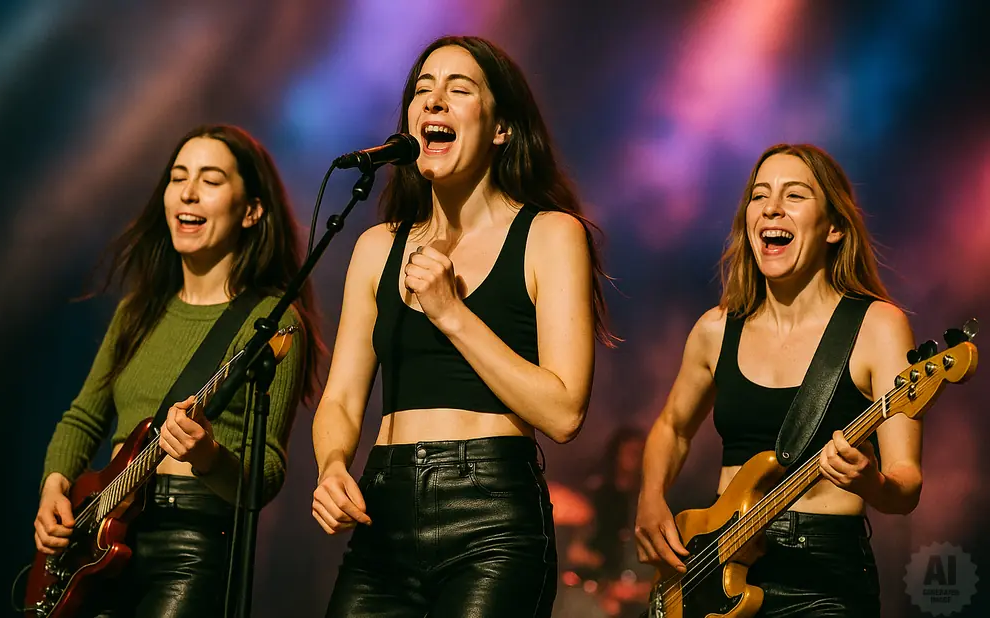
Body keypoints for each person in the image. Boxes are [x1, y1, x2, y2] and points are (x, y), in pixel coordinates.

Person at [312, 35, 613, 618]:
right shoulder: (378, 247)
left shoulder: (550, 236)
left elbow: (564, 411)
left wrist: (452, 314)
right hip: (385, 511)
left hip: (493, 519)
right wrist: (330, 466)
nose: (434, 102)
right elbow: (343, 399)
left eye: (458, 90)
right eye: (422, 90)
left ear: (501, 127)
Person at [32, 124, 325, 617]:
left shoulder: (271, 324)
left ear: (252, 210)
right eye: (178, 177)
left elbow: (267, 474)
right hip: (99, 540)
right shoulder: (137, 310)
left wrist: (208, 455)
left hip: (192, 547)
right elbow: (83, 417)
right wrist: (54, 485)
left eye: (211, 180)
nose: (187, 193)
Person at [634, 143, 923, 617]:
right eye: (759, 195)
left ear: (833, 228)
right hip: (718, 568)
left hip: (822, 579)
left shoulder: (877, 326)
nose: (771, 207)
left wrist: (870, 481)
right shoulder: (715, 329)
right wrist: (650, 500)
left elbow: (906, 483)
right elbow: (672, 427)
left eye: (795, 196)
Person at [557, 426, 652, 618]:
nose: (636, 459)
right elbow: (576, 552)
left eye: (641, 453)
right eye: (631, 452)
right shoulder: (595, 494)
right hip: (587, 594)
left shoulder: (645, 503)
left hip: (624, 595)